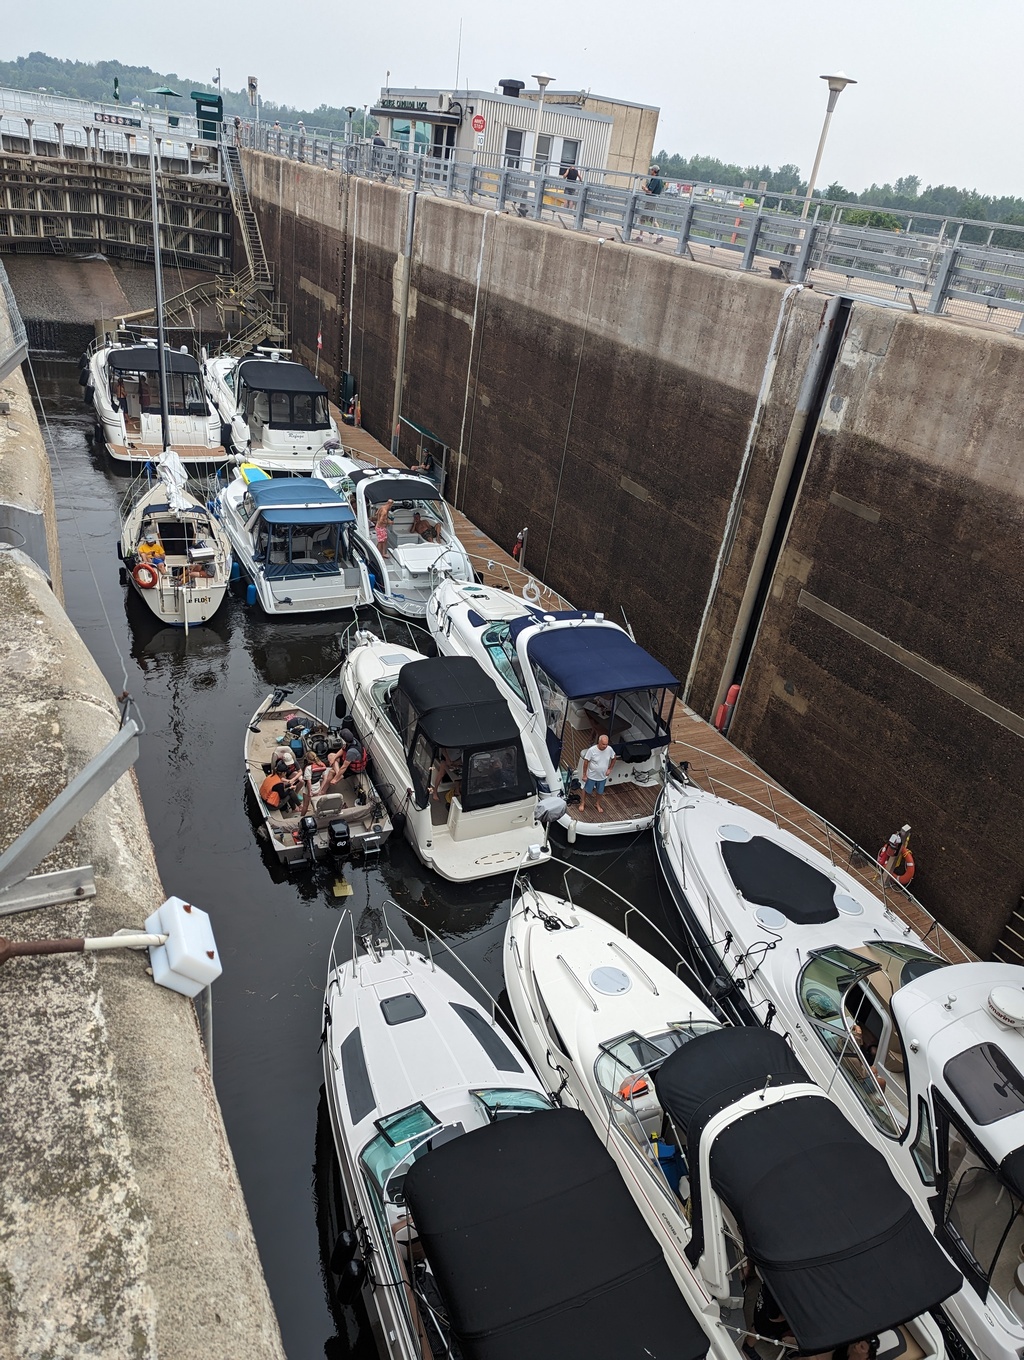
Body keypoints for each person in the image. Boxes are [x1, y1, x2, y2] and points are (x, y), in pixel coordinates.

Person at [580, 733, 615, 814]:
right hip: (591, 776)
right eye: (603, 744)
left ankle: (597, 804)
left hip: (602, 776)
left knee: (600, 791)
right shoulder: (592, 750)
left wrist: (610, 769)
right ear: (599, 742)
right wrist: (584, 774)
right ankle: (583, 802)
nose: (605, 746)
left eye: (606, 744)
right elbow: (586, 762)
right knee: (586, 789)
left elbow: (614, 758)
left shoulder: (609, 749)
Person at [637, 164, 665, 242]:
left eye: (651, 170)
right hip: (654, 201)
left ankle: (640, 237)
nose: (650, 171)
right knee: (652, 219)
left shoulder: (655, 179)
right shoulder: (659, 179)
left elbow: (650, 191)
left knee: (642, 218)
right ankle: (659, 236)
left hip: (651, 201)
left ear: (654, 171)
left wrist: (644, 188)